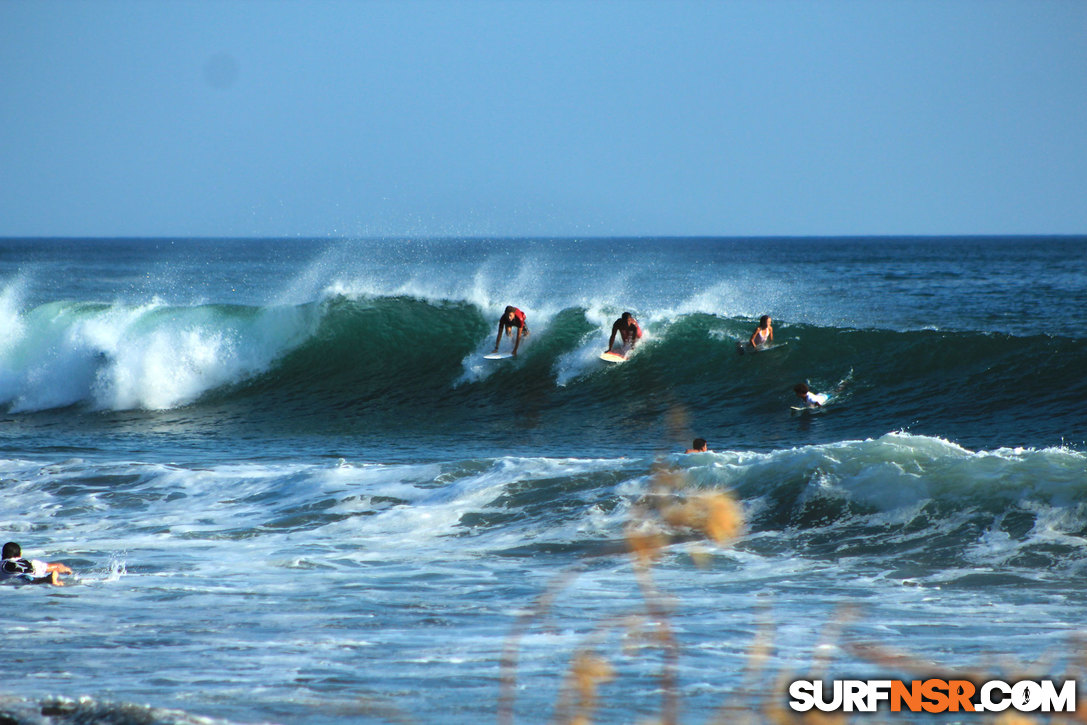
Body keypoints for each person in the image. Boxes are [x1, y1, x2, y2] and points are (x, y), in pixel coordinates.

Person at [1, 542, 72, 586]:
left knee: (28, 580)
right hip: (32, 575)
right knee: (36, 579)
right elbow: (58, 567)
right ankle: (48, 579)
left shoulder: (1, 564)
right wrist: (66, 569)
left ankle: (47, 579)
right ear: (20, 554)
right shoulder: (33, 563)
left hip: (21, 579)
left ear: (2, 554)